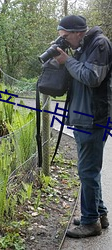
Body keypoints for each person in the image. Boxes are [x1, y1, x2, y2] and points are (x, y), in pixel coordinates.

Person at [54, 15, 112, 238]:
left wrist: (67, 61)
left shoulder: (99, 44)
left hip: (93, 118)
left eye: (66, 37)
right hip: (83, 116)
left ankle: (90, 223)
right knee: (89, 170)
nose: (65, 41)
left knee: (87, 171)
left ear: (78, 32)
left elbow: (91, 77)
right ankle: (99, 214)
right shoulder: (83, 46)